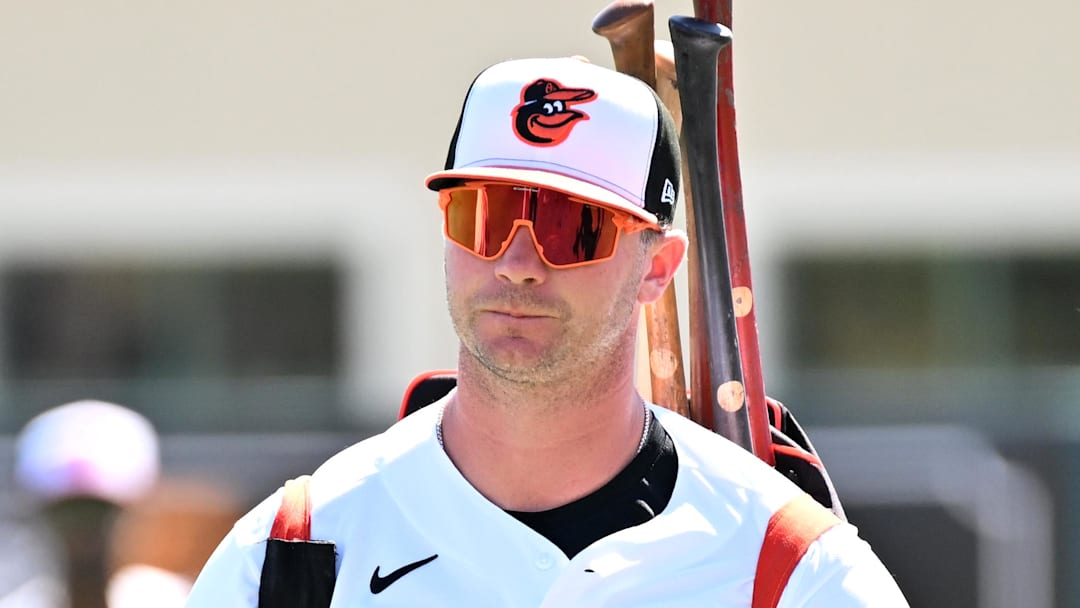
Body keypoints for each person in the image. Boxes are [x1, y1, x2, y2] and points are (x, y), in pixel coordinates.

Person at [185, 56, 909, 606]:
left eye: (573, 226)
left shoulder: (790, 568)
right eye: (487, 216)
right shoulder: (294, 552)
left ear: (658, 268)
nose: (519, 262)